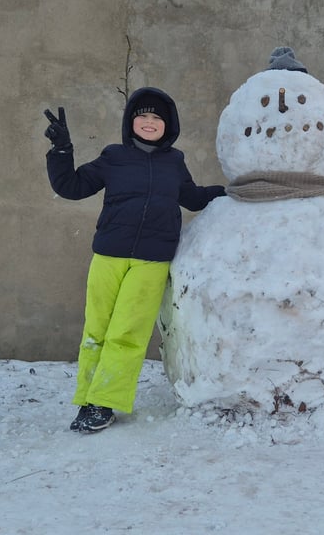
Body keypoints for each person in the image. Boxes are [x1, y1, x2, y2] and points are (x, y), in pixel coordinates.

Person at [43, 87, 225, 433]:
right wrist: (61, 150)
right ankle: (87, 396)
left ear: (168, 125)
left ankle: (105, 402)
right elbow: (72, 186)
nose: (149, 121)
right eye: (142, 115)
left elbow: (194, 198)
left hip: (151, 261)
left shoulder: (175, 162)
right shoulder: (113, 157)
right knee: (96, 329)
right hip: (109, 255)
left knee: (127, 333)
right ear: (131, 121)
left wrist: (231, 192)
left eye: (157, 117)